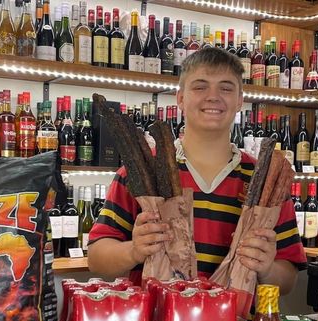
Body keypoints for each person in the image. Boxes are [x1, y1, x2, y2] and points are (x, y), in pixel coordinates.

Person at [87, 47, 306, 294]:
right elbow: (96, 259)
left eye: (226, 88)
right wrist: (134, 250)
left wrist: (266, 268)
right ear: (180, 98)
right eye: (200, 86)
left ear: (239, 101)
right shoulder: (138, 171)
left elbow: (288, 279)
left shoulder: (267, 180)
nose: (213, 96)